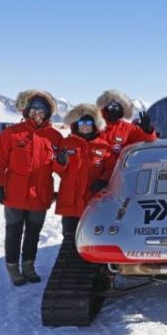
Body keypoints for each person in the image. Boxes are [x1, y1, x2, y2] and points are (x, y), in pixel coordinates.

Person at [0, 90, 62, 286]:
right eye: (34, 108)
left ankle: (28, 266)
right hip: (14, 193)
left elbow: (62, 168)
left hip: (40, 194)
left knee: (33, 233)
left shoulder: (55, 137)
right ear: (27, 111)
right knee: (13, 232)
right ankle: (13, 268)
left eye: (43, 109)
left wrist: (63, 163)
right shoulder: (12, 134)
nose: (38, 112)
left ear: (48, 113)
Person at [53, 103, 116, 245]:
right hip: (70, 198)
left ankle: (91, 264)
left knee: (91, 236)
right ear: (76, 123)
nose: (85, 125)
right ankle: (68, 261)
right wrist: (60, 163)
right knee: (69, 237)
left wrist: (103, 180)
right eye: (82, 122)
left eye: (88, 122)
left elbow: (111, 168)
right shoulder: (67, 142)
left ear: (94, 124)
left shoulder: (104, 146)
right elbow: (59, 170)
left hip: (92, 199)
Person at [96, 89, 157, 154]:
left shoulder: (127, 129)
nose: (115, 109)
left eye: (120, 108)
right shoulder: (92, 122)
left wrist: (148, 130)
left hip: (117, 164)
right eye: (113, 105)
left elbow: (150, 141)